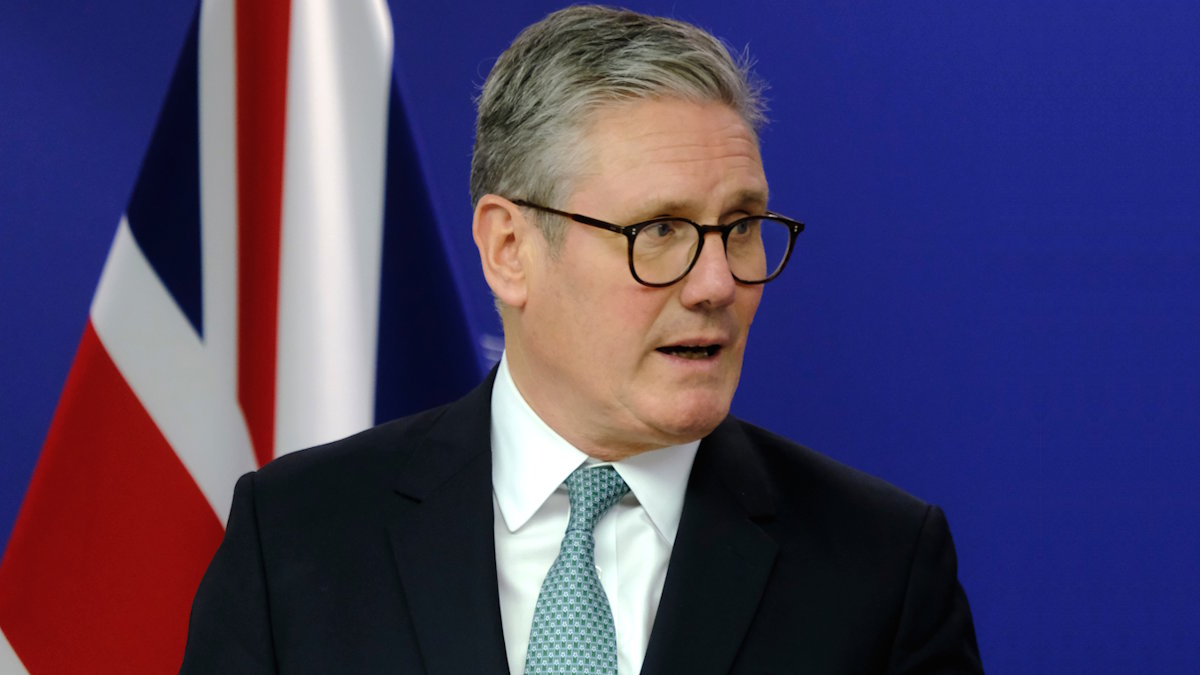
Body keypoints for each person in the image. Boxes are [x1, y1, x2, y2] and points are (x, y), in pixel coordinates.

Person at [181, 5, 982, 674]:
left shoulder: (882, 567)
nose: (717, 283)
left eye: (740, 226)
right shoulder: (295, 538)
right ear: (509, 250)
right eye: (660, 229)